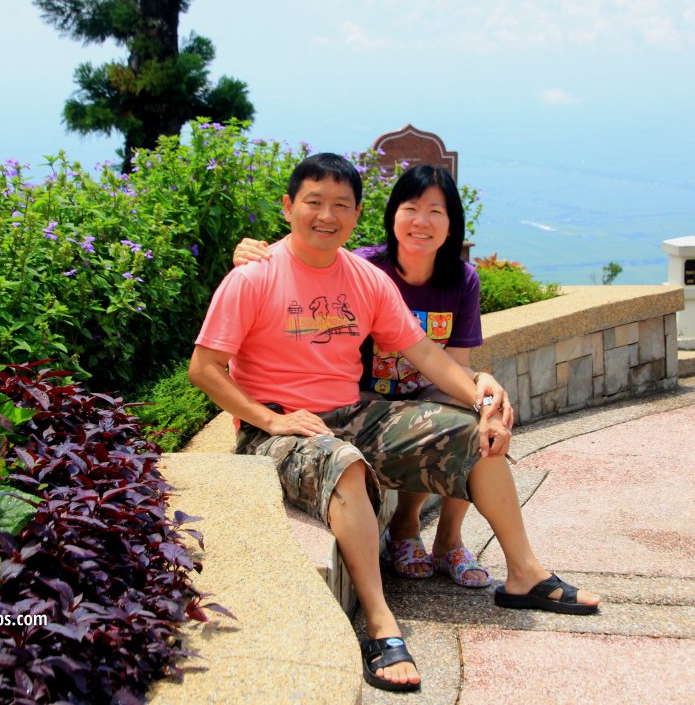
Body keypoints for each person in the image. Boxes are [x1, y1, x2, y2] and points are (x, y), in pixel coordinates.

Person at [189, 152, 599, 693]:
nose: (326, 215)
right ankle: (381, 624)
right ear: (289, 207)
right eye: (313, 202)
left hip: (352, 415)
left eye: (341, 205)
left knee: (473, 437)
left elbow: (428, 356)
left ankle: (524, 573)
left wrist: (482, 396)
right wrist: (270, 418)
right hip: (277, 428)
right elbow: (205, 368)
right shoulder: (254, 277)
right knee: (344, 464)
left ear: (358, 214)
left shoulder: (364, 278)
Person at [233, 163, 508, 589]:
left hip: (401, 401)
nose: (422, 221)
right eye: (411, 208)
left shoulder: (458, 279)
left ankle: (458, 543)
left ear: (452, 222)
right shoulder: (364, 269)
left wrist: (483, 396)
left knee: (474, 423)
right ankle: (404, 532)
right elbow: (299, 270)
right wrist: (253, 258)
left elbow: (441, 359)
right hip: (356, 399)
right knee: (400, 432)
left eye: (436, 211)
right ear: (390, 214)